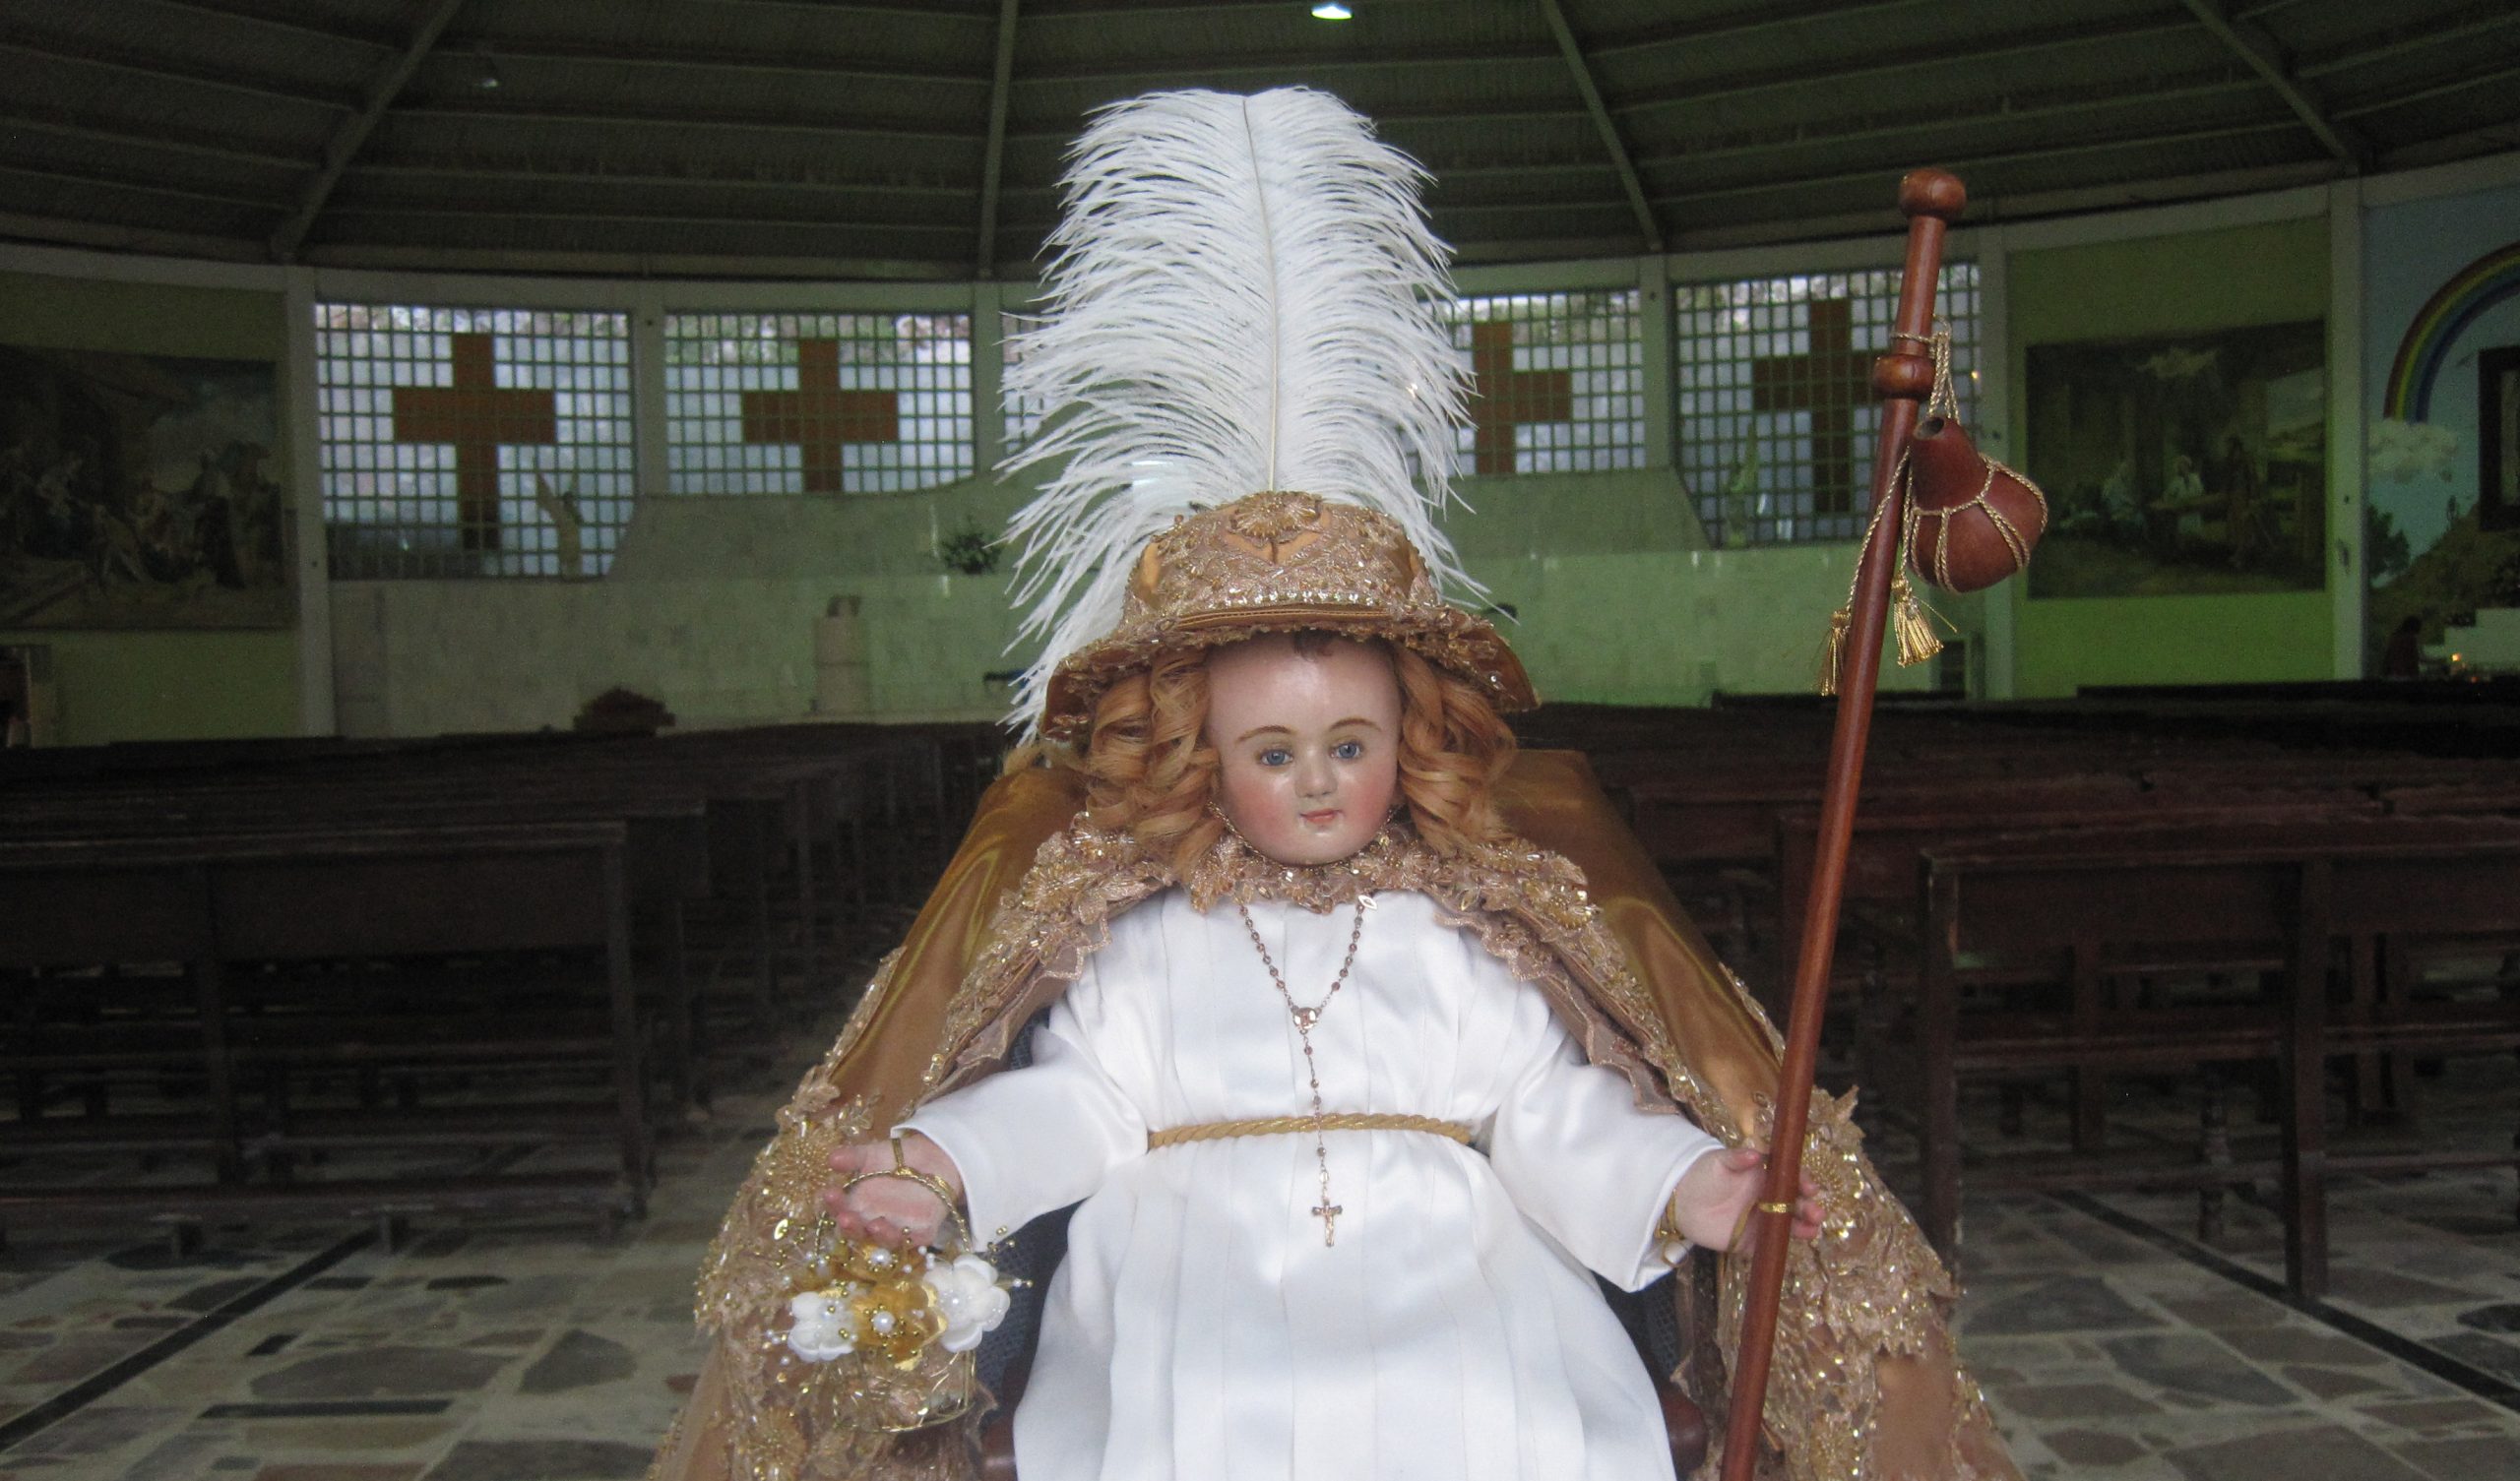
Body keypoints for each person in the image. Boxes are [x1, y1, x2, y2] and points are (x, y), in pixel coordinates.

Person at [648, 89, 2020, 1481]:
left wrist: (1680, 1182)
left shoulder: (1461, 919)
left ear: (1408, 738)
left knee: (1501, 1426)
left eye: (1350, 745)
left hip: (1451, 1260)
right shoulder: (1147, 929)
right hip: (1195, 1267)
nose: (1318, 785)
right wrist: (941, 1164)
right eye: (1274, 753)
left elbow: (1542, 1107)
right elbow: (1074, 1099)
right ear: (1202, 758)